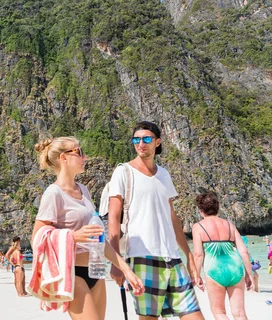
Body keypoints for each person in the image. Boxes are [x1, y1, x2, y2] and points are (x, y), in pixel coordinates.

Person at [32, 137, 144, 319]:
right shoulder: (53, 193)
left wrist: (126, 270)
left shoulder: (83, 190)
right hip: (74, 273)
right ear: (64, 158)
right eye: (79, 152)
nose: (85, 156)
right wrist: (73, 237)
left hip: (96, 270)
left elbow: (98, 238)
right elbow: (37, 238)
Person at [109, 121, 203, 320]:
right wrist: (116, 261)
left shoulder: (164, 174)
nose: (140, 143)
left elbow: (172, 218)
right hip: (143, 257)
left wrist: (189, 255)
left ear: (157, 142)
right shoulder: (123, 172)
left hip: (173, 259)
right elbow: (114, 218)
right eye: (136, 139)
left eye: (146, 139)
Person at [192, 191, 253, 320]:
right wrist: (249, 274)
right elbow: (244, 251)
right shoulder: (229, 225)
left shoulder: (198, 227)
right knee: (240, 313)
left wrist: (196, 275)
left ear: (201, 210)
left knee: (219, 312)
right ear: (217, 207)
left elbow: (198, 254)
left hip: (214, 270)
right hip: (235, 268)